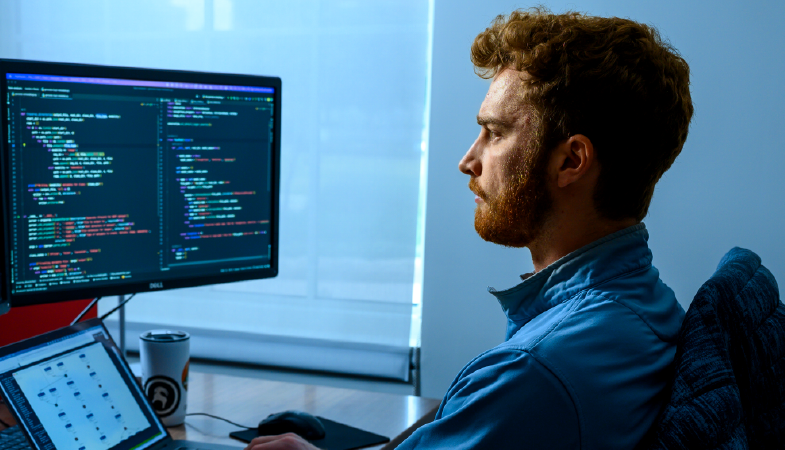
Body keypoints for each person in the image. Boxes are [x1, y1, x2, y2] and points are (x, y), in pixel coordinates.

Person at [246, 7, 693, 450]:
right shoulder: (649, 308)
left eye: (494, 133)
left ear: (570, 161)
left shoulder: (535, 372)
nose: (468, 161)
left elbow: (529, 387)